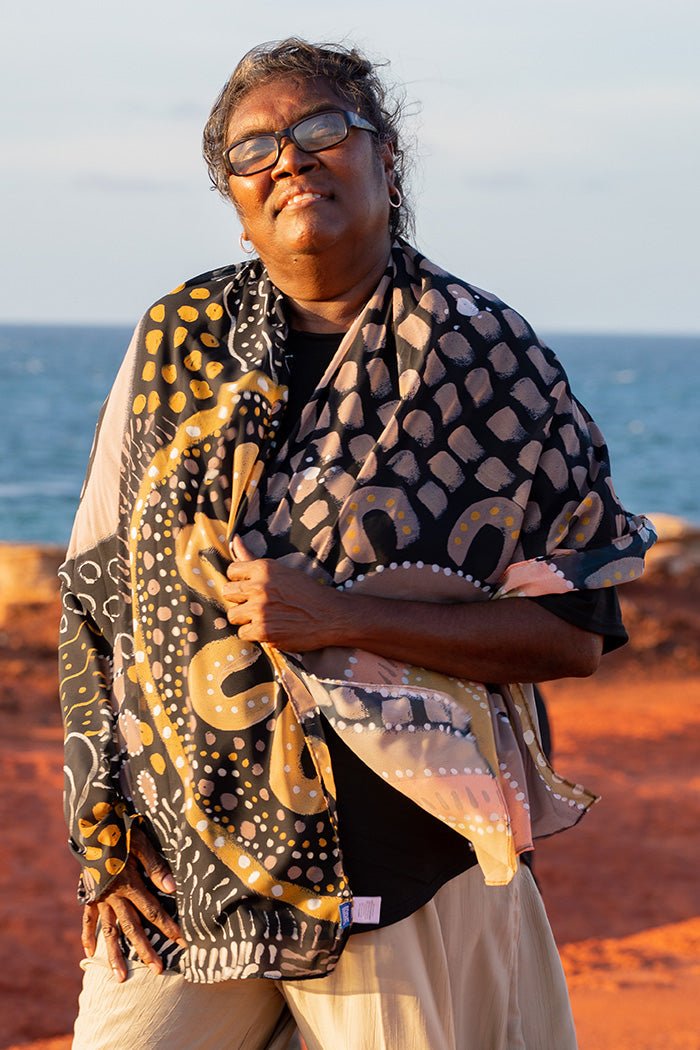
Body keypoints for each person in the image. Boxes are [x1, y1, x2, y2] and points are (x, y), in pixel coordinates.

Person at [59, 38, 654, 1050]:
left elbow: (569, 639)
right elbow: (95, 595)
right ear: (234, 196)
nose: (291, 158)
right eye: (255, 149)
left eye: (324, 128)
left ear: (388, 161)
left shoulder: (485, 358)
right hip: (187, 867)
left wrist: (342, 618)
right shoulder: (176, 339)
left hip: (404, 863)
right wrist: (103, 846)